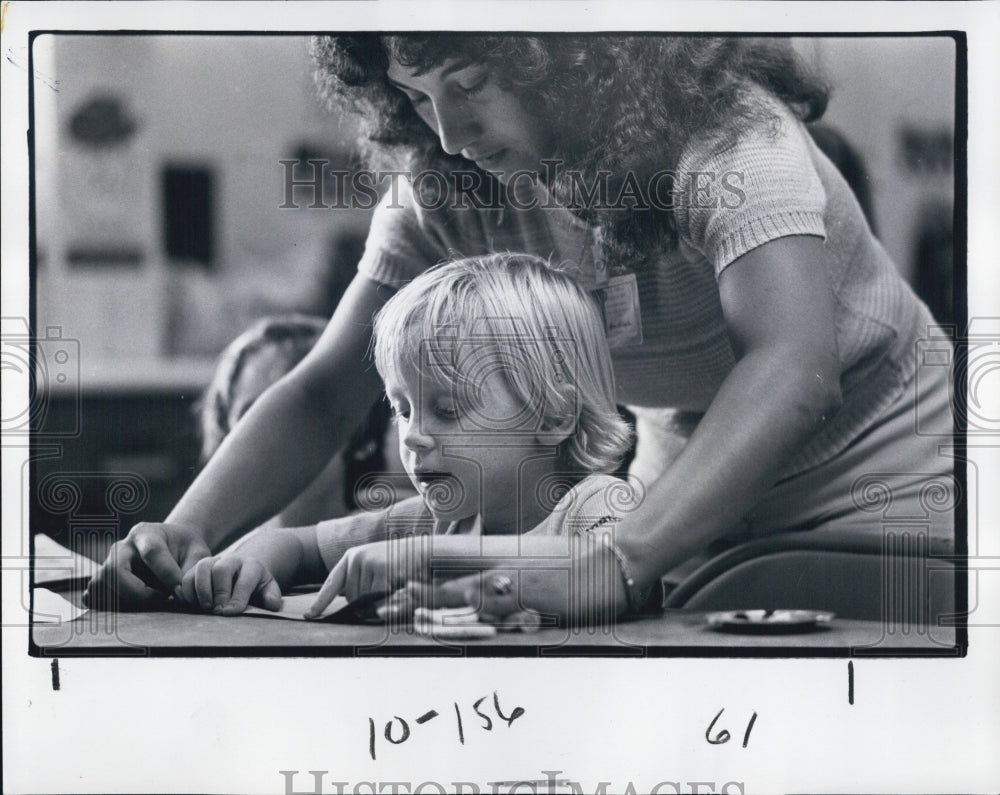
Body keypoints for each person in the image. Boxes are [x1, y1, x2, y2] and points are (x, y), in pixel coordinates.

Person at [86, 35, 953, 621]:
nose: (451, 136)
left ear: (569, 56)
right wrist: (185, 531)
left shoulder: (729, 135)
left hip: (882, 480)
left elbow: (796, 369)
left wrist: (613, 559)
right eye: (419, 99)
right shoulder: (446, 184)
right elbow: (323, 391)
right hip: (686, 492)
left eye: (469, 86)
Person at [175, 253, 634, 618]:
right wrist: (247, 564)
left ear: (554, 417)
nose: (413, 437)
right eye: (403, 410)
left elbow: (605, 572)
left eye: (448, 409)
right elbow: (297, 546)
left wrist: (429, 557)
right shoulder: (435, 521)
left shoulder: (598, 505)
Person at [196, 314, 410, 533]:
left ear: (359, 428)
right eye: (250, 416)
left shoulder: (399, 531)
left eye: (290, 416)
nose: (264, 434)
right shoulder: (219, 549)